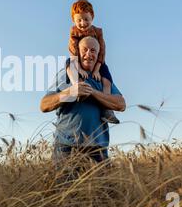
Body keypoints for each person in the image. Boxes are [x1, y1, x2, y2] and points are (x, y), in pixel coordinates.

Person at [40, 36, 126, 166]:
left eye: (93, 51)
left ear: (98, 55)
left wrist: (92, 92)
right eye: (84, 50)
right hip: (66, 147)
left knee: (101, 187)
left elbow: (121, 104)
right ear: (77, 53)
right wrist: (71, 92)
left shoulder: (103, 79)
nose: (88, 54)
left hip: (98, 149)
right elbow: (44, 105)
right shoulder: (67, 75)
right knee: (63, 187)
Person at [66, 0, 120, 124]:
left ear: (92, 17)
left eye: (86, 19)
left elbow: (101, 51)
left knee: (106, 79)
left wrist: (96, 70)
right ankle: (76, 87)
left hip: (98, 62)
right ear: (73, 20)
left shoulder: (98, 32)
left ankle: (106, 109)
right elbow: (73, 51)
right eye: (78, 20)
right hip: (78, 61)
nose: (83, 23)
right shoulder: (74, 32)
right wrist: (79, 69)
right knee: (69, 65)